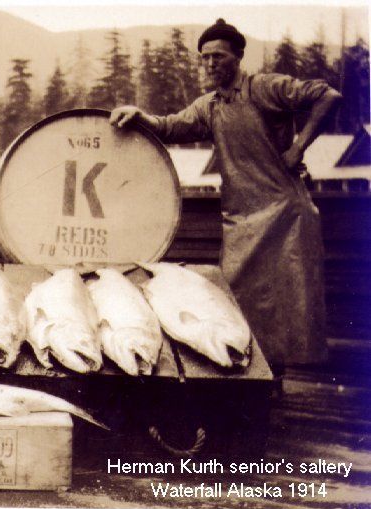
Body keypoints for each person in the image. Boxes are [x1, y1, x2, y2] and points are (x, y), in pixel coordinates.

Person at [110, 19, 342, 372]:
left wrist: (298, 147)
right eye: (204, 58)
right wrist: (141, 116)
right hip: (241, 221)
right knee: (237, 303)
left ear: (238, 57)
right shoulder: (209, 106)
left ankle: (272, 384)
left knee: (286, 308)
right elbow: (173, 126)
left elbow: (328, 96)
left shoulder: (265, 88)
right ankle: (254, 383)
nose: (210, 64)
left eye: (218, 56)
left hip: (286, 215)